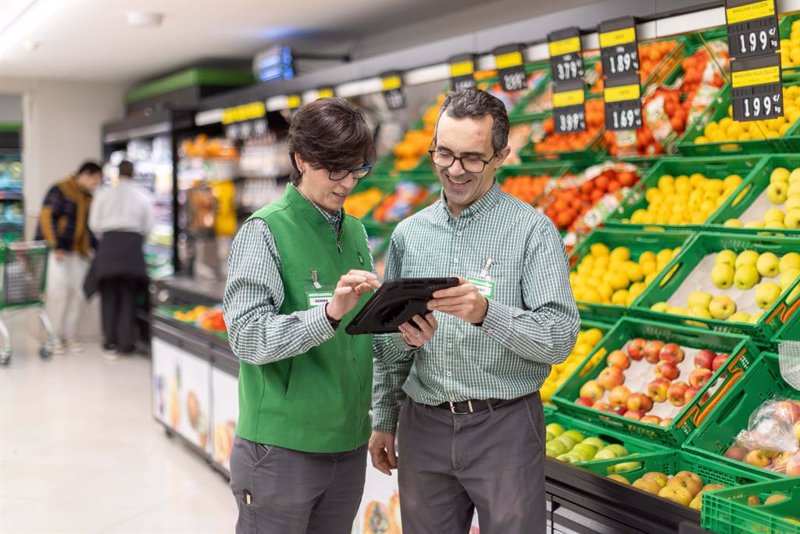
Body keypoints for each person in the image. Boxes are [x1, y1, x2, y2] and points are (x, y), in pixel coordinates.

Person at [369, 88, 580, 534]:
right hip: (422, 423)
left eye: (471, 157)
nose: (454, 170)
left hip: (503, 426)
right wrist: (384, 418)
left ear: (501, 155)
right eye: (443, 154)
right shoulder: (410, 234)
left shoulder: (532, 232)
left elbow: (559, 337)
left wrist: (487, 312)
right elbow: (389, 345)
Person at [223, 97, 380, 534]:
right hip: (281, 450)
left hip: (347, 444)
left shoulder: (354, 230)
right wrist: (327, 315)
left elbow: (360, 331)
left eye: (357, 169)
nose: (348, 182)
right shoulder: (265, 231)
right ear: (301, 160)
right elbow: (248, 336)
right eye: (336, 169)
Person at [86, 160, 154, 358]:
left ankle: (110, 342)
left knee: (108, 297)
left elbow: (94, 224)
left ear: (118, 173)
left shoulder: (104, 194)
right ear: (133, 174)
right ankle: (126, 344)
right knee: (129, 297)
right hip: (132, 249)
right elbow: (149, 226)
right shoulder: (142, 195)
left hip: (108, 247)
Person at [36, 160, 102, 355]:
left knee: (77, 294)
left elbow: (88, 228)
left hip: (77, 253)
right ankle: (52, 338)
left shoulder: (88, 198)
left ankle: (69, 336)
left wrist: (95, 249)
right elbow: (47, 217)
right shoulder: (60, 189)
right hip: (57, 252)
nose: (96, 185)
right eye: (95, 180)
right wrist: (54, 245)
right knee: (58, 295)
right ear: (87, 174)